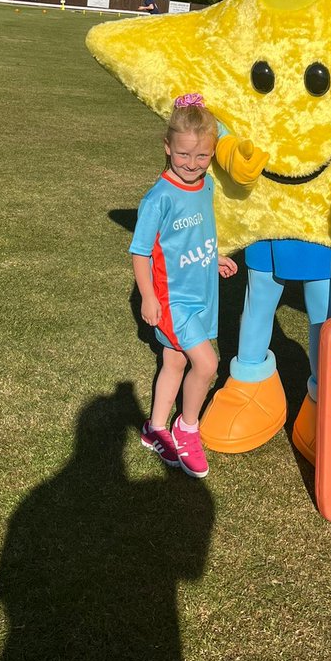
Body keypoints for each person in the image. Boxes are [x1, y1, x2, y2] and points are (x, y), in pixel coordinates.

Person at [130, 93, 238, 478]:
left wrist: (214, 256)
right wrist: (147, 297)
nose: (192, 165)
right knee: (207, 363)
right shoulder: (158, 199)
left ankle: (154, 428)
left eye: (202, 156)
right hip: (174, 300)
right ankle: (186, 427)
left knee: (174, 362)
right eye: (183, 155)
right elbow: (141, 253)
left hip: (204, 294)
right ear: (167, 147)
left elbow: (196, 235)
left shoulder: (205, 185)